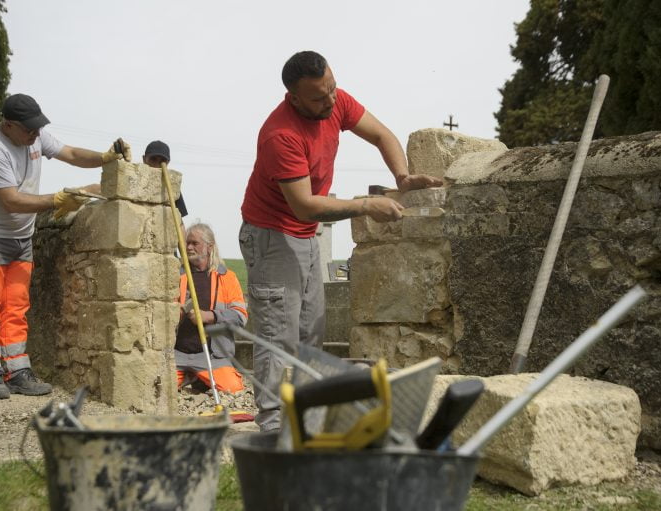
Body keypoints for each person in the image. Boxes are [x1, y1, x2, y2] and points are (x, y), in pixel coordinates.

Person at [239, 50, 444, 431]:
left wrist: (402, 177)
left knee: (310, 330)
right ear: (294, 97)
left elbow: (382, 134)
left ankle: (307, 416)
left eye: (332, 88)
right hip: (271, 235)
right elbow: (303, 206)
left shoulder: (335, 100)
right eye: (319, 97)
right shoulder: (280, 135)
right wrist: (365, 206)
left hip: (304, 235)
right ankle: (271, 425)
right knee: (277, 333)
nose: (331, 100)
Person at [0, 93, 132, 399]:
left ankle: (17, 371)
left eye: (38, 128)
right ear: (9, 125)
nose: (36, 134)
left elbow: (72, 154)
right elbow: (11, 201)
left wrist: (106, 158)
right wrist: (57, 199)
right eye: (29, 129)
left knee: (15, 305)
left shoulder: (34, 136)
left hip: (20, 235)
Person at [176, 223, 246, 393]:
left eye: (194, 243)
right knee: (159, 388)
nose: (189, 247)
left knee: (233, 387)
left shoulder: (227, 278)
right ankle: (193, 376)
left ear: (209, 247)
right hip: (177, 354)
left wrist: (210, 316)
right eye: (187, 243)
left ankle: (199, 375)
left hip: (212, 356)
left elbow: (240, 316)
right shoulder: (177, 275)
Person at [142, 140, 188, 243]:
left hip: (165, 248)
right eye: (153, 159)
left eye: (162, 161)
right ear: (144, 159)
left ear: (168, 163)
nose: (157, 165)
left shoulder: (171, 189)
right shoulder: (135, 184)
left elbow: (180, 224)